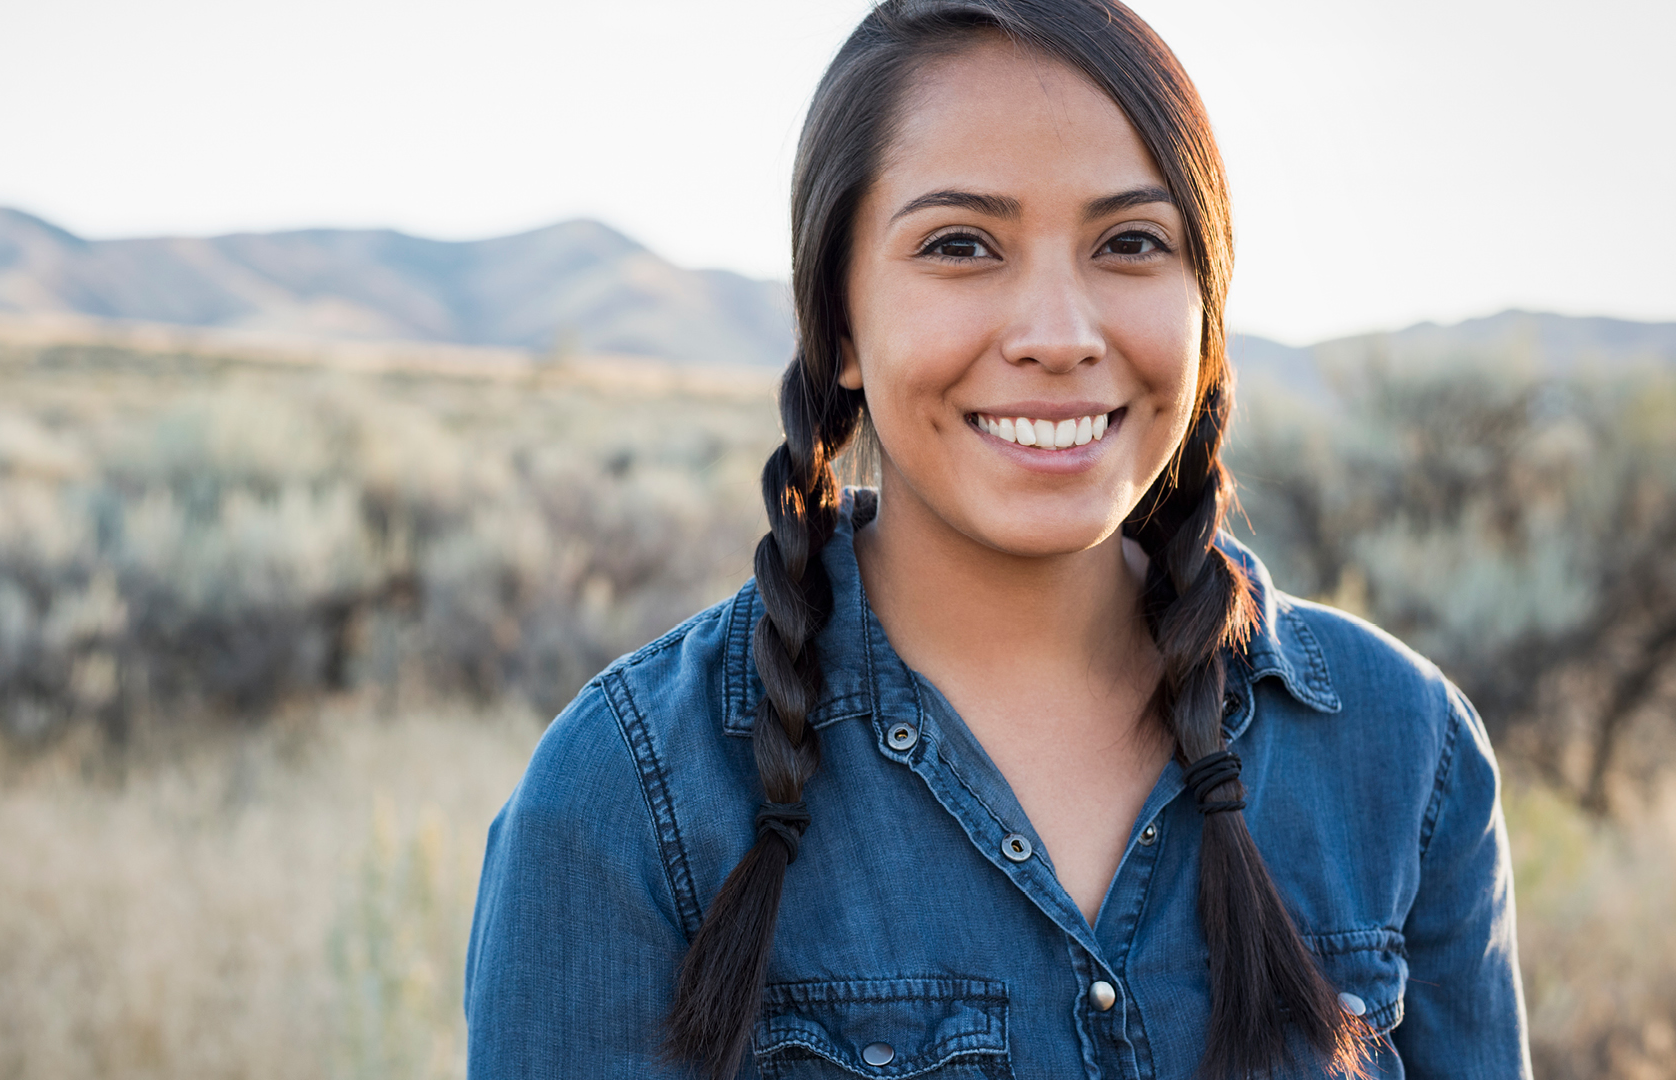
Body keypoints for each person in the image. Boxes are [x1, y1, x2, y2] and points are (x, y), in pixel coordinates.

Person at [465, 1, 1530, 1076]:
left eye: (1131, 243)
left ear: (1204, 305)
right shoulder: (624, 798)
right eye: (962, 245)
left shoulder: (1406, 750)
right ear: (838, 324)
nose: (1059, 336)